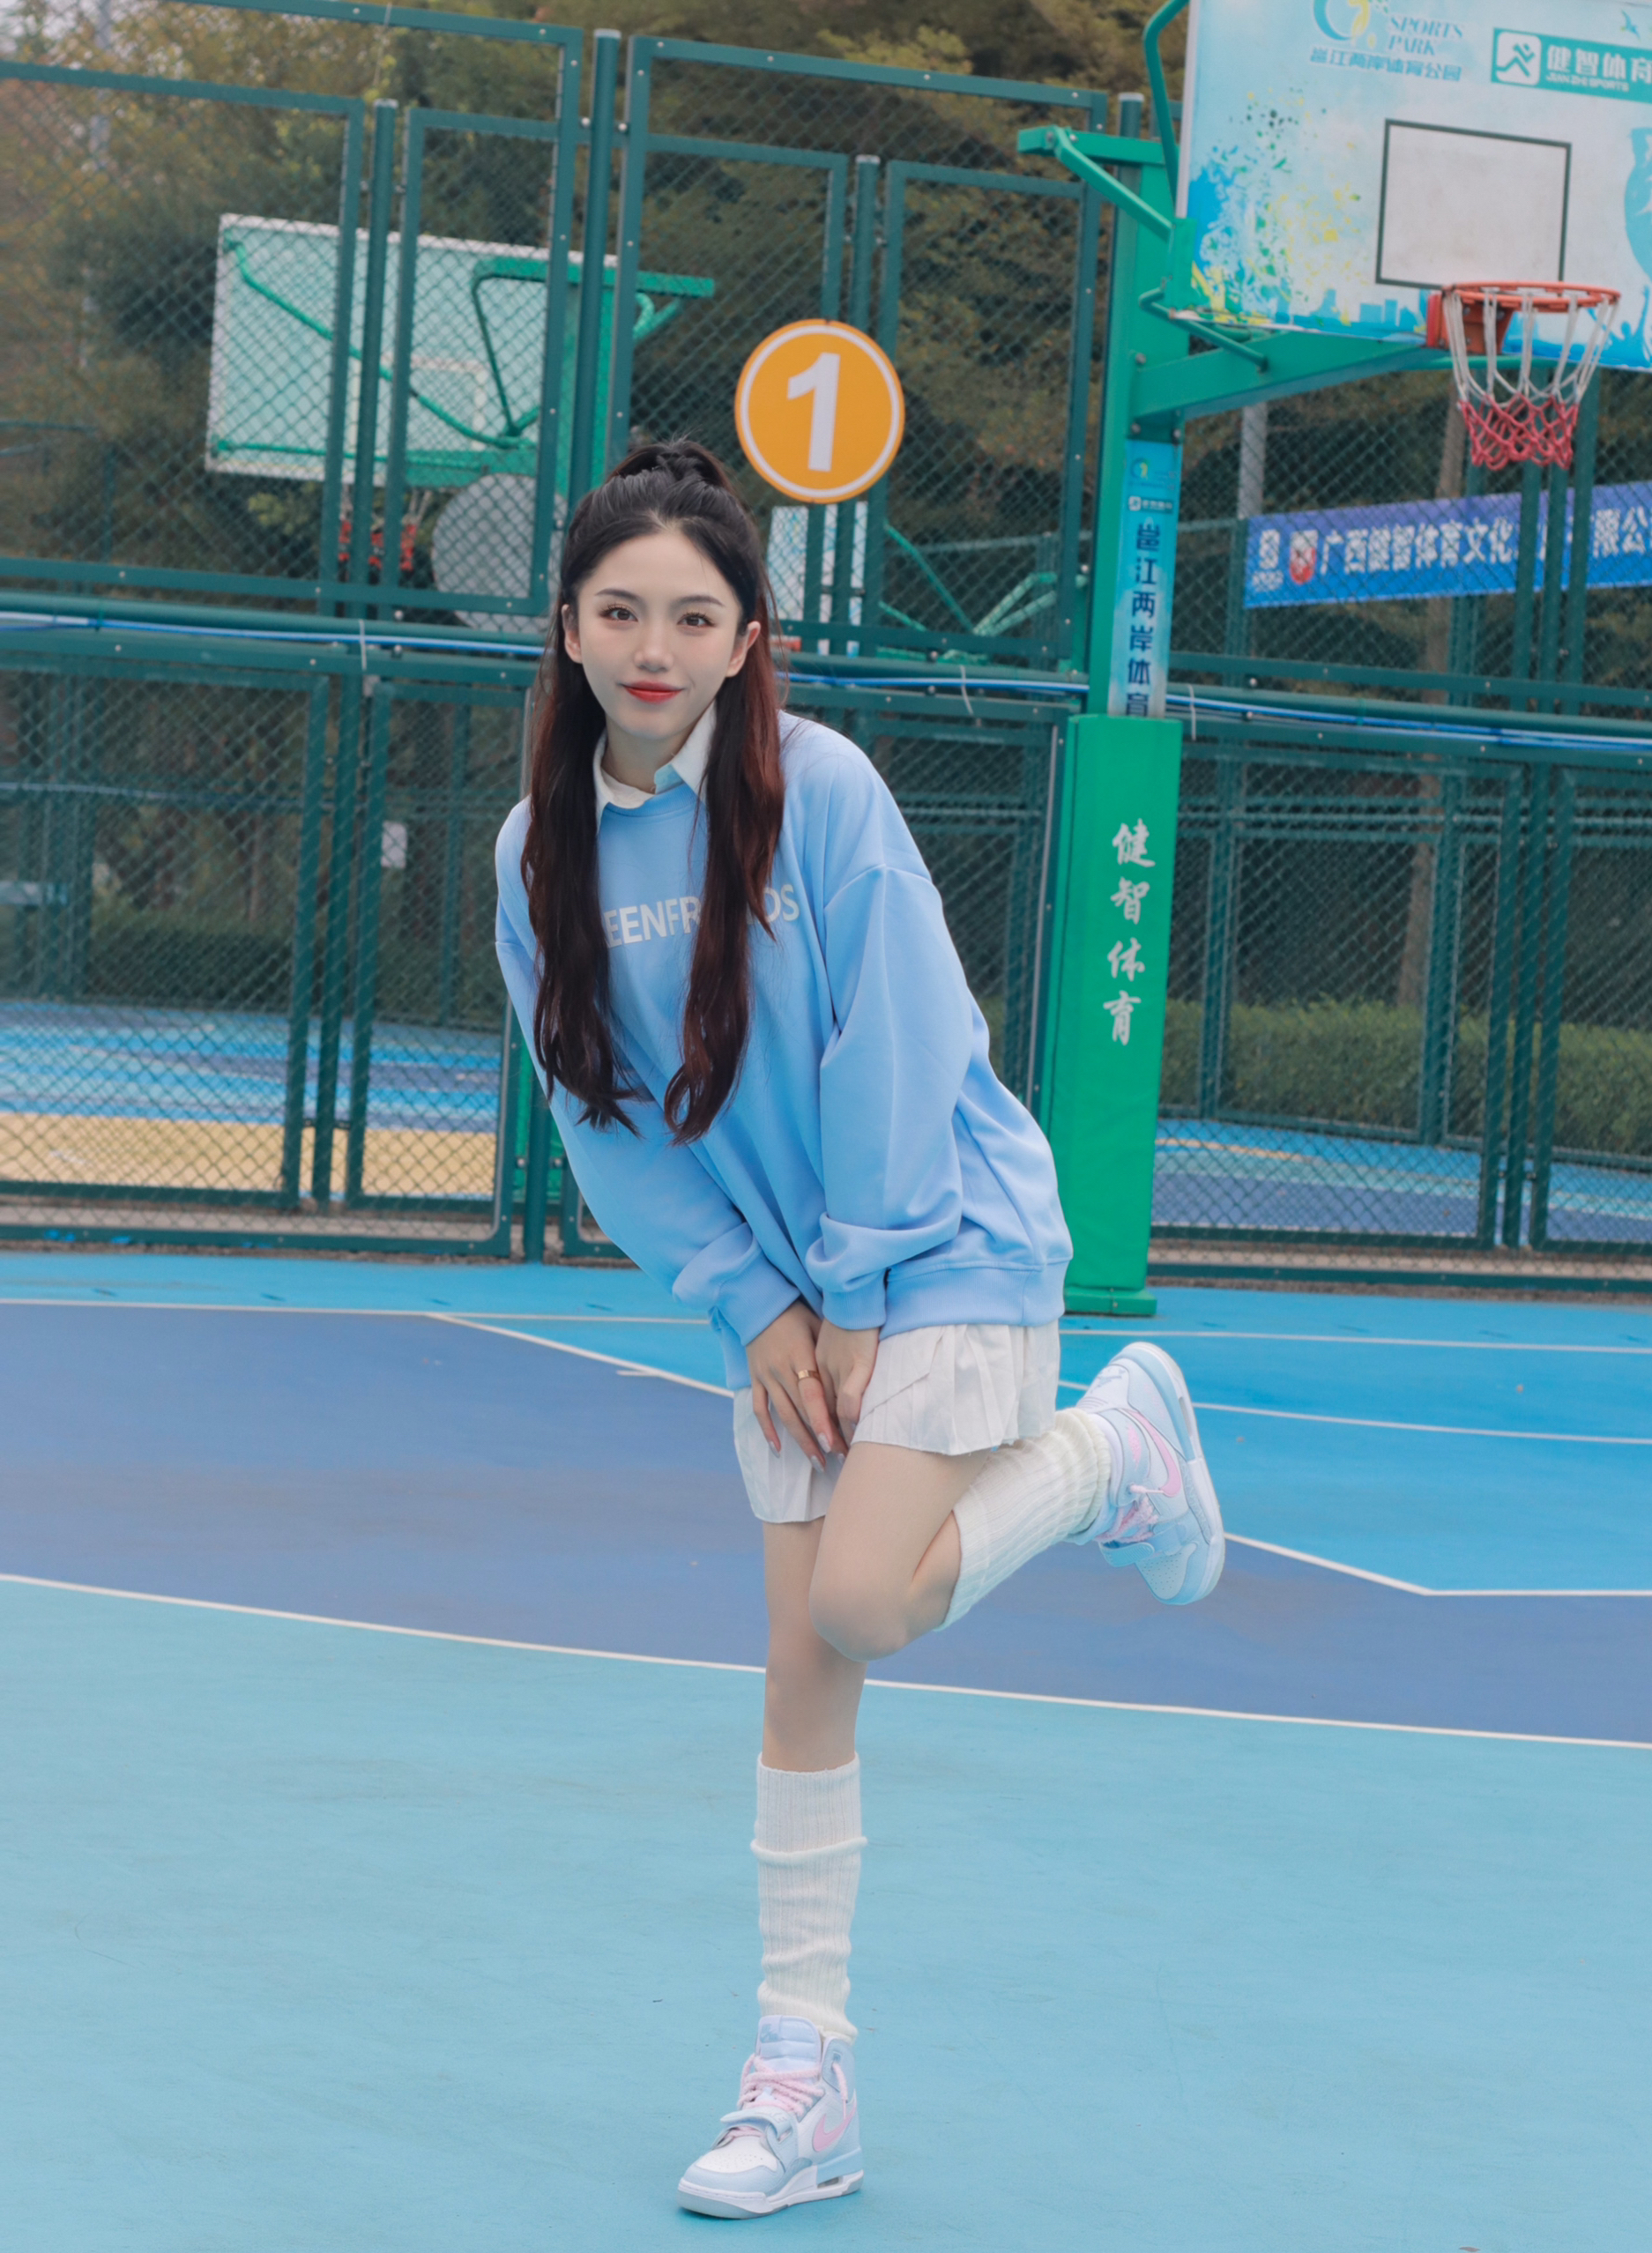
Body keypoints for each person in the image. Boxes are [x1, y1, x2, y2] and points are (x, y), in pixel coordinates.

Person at [494, 440, 1224, 2221]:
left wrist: (860, 1286)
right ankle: (800, 2078)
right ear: (567, 629)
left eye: (693, 617)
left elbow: (894, 1040)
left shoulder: (817, 790)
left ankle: (1109, 1454)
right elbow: (596, 1114)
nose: (653, 647)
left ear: (748, 638)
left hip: (942, 1243)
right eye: (619, 613)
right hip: (785, 1296)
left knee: (859, 1602)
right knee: (800, 1669)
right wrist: (759, 1304)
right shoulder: (536, 851)